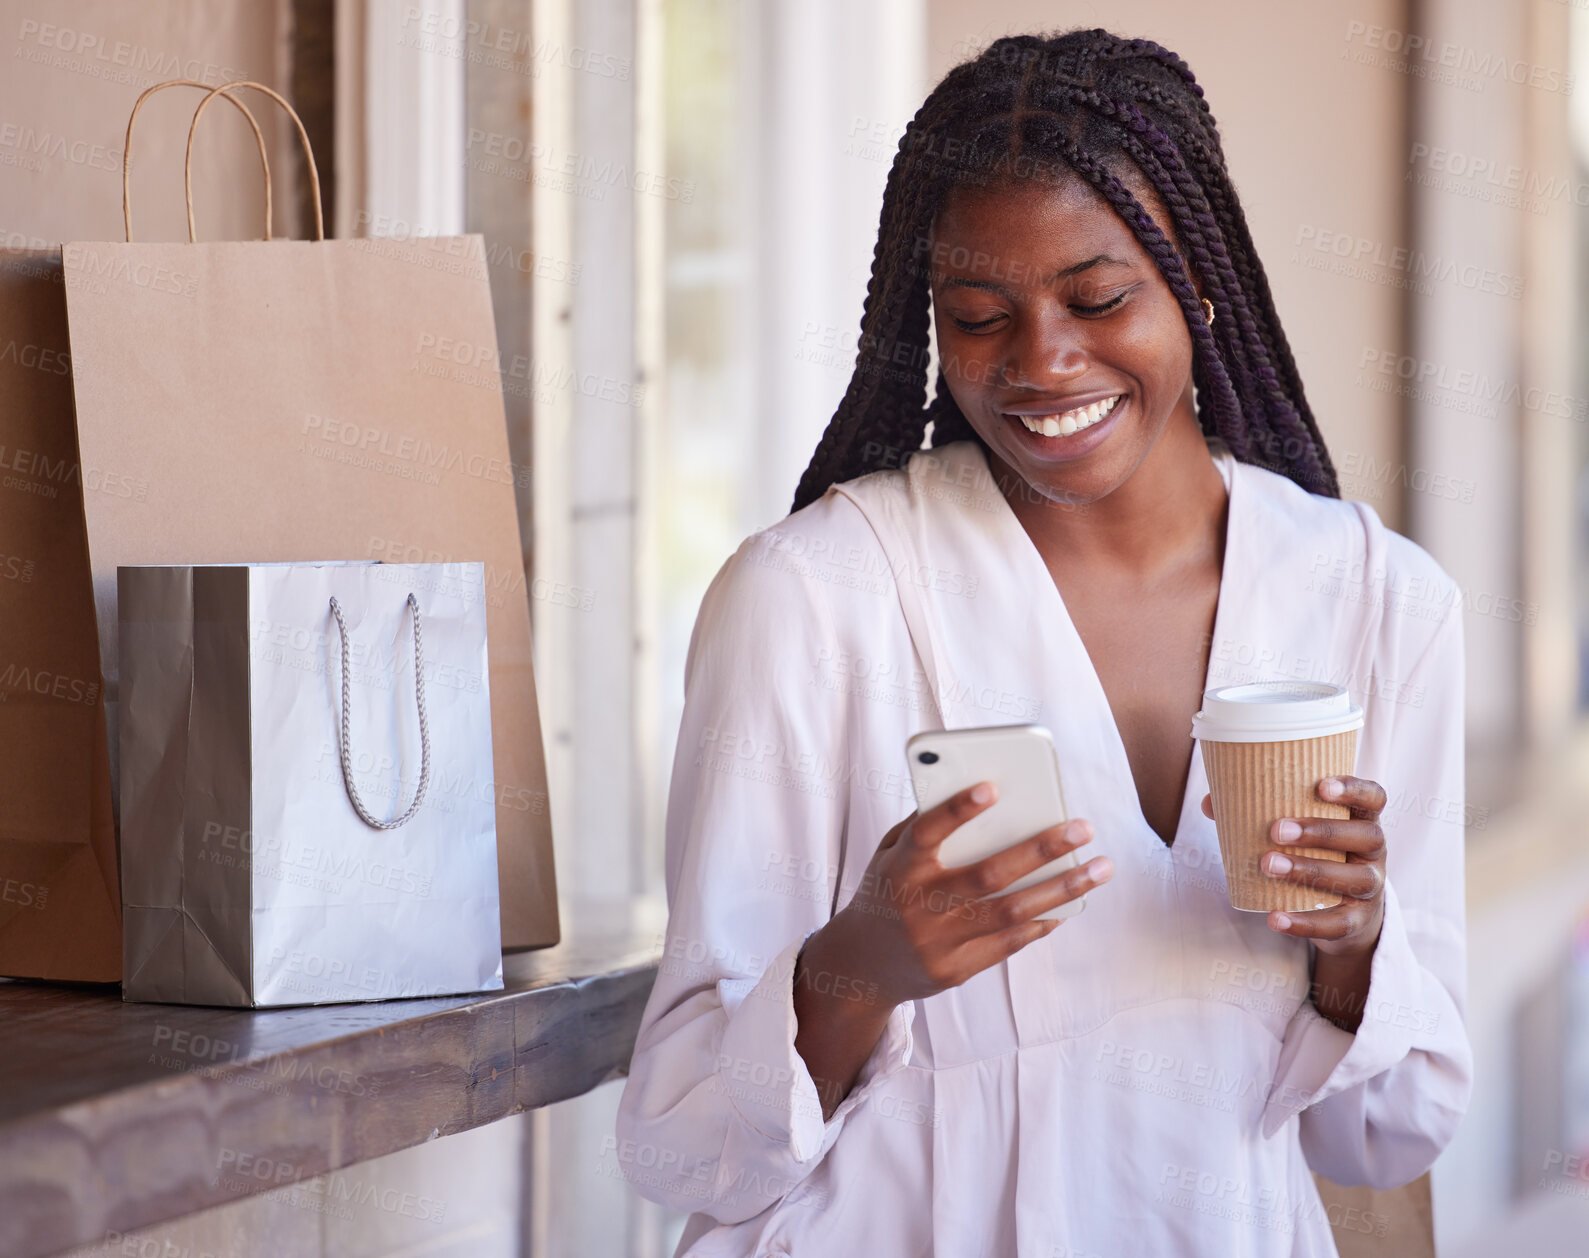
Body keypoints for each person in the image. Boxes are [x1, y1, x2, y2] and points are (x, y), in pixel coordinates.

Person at [617, 28, 1472, 1256]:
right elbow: (673, 1139)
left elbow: (1385, 1135)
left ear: (1199, 276)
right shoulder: (812, 599)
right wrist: (856, 966)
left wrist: (1352, 948)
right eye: (977, 315)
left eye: (1097, 297)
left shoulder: (1379, 603)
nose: (1040, 361)